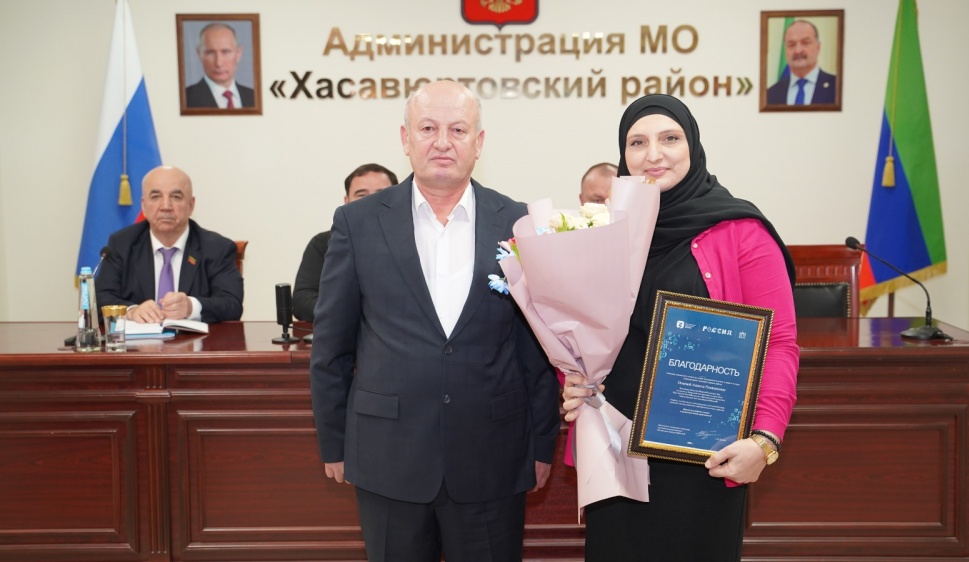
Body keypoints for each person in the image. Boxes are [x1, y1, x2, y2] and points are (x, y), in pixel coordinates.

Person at [309, 80, 559, 562]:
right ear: (405, 139)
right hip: (387, 456)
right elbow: (331, 347)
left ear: (478, 143)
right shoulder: (358, 223)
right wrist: (334, 444)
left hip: (494, 455)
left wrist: (541, 444)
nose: (442, 142)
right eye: (428, 128)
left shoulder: (519, 222)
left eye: (458, 130)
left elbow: (538, 349)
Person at [562, 94, 799, 561]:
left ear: (692, 145)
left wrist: (765, 440)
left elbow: (780, 343)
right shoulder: (604, 231)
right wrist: (572, 380)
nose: (653, 154)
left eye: (669, 138)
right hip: (615, 451)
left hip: (703, 456)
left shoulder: (741, 231)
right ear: (623, 155)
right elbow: (579, 333)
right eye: (637, 142)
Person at [96, 165, 244, 323]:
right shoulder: (122, 244)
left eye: (176, 197)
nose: (166, 206)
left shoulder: (217, 248)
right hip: (140, 339)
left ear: (191, 205)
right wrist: (131, 311)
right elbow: (100, 298)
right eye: (156, 197)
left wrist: (191, 307)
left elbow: (232, 304)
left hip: (199, 339)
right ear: (144, 205)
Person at [292, 164, 398, 322]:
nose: (371, 202)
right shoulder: (323, 244)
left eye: (381, 194)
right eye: (362, 195)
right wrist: (350, 314)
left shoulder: (416, 242)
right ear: (346, 202)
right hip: (343, 330)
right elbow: (302, 301)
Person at [766, 20, 837, 106]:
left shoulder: (837, 87)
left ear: (818, 47)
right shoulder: (771, 94)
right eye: (791, 44)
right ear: (785, 50)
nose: (798, 50)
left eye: (805, 43)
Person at [185, 23, 255, 109]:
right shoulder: (185, 99)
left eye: (225, 52)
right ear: (199, 54)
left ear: (238, 54)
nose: (218, 63)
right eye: (210, 53)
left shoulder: (254, 97)